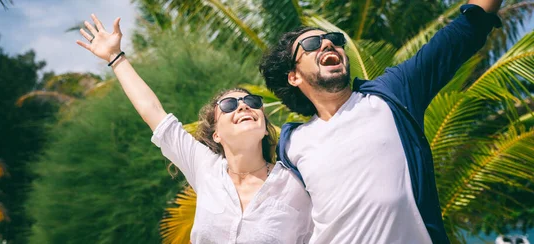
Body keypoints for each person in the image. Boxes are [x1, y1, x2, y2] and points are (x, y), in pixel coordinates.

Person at [259, 1, 503, 243]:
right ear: (293, 77)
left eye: (334, 38)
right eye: (311, 44)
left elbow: (465, 31)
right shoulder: (291, 145)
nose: (327, 43)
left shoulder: (392, 94)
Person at [76, 14, 313, 243]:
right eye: (229, 105)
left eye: (252, 102)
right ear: (216, 135)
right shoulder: (206, 168)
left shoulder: (294, 185)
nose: (242, 106)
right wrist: (115, 57)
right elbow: (153, 112)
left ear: (264, 128)